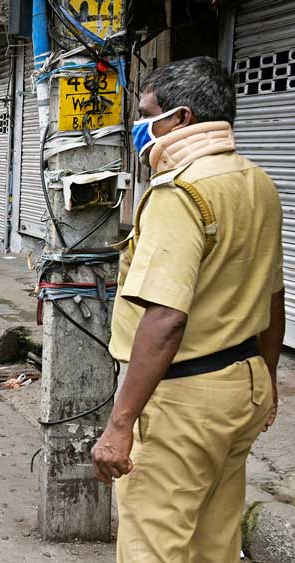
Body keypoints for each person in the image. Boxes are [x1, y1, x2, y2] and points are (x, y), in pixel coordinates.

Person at [91, 56, 284, 562]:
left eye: (146, 113)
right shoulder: (257, 182)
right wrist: (265, 381)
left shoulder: (181, 191)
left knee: (154, 545)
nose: (139, 127)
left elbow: (166, 317)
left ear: (180, 119)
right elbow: (272, 294)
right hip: (241, 387)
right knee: (214, 541)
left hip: (183, 400)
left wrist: (120, 424)